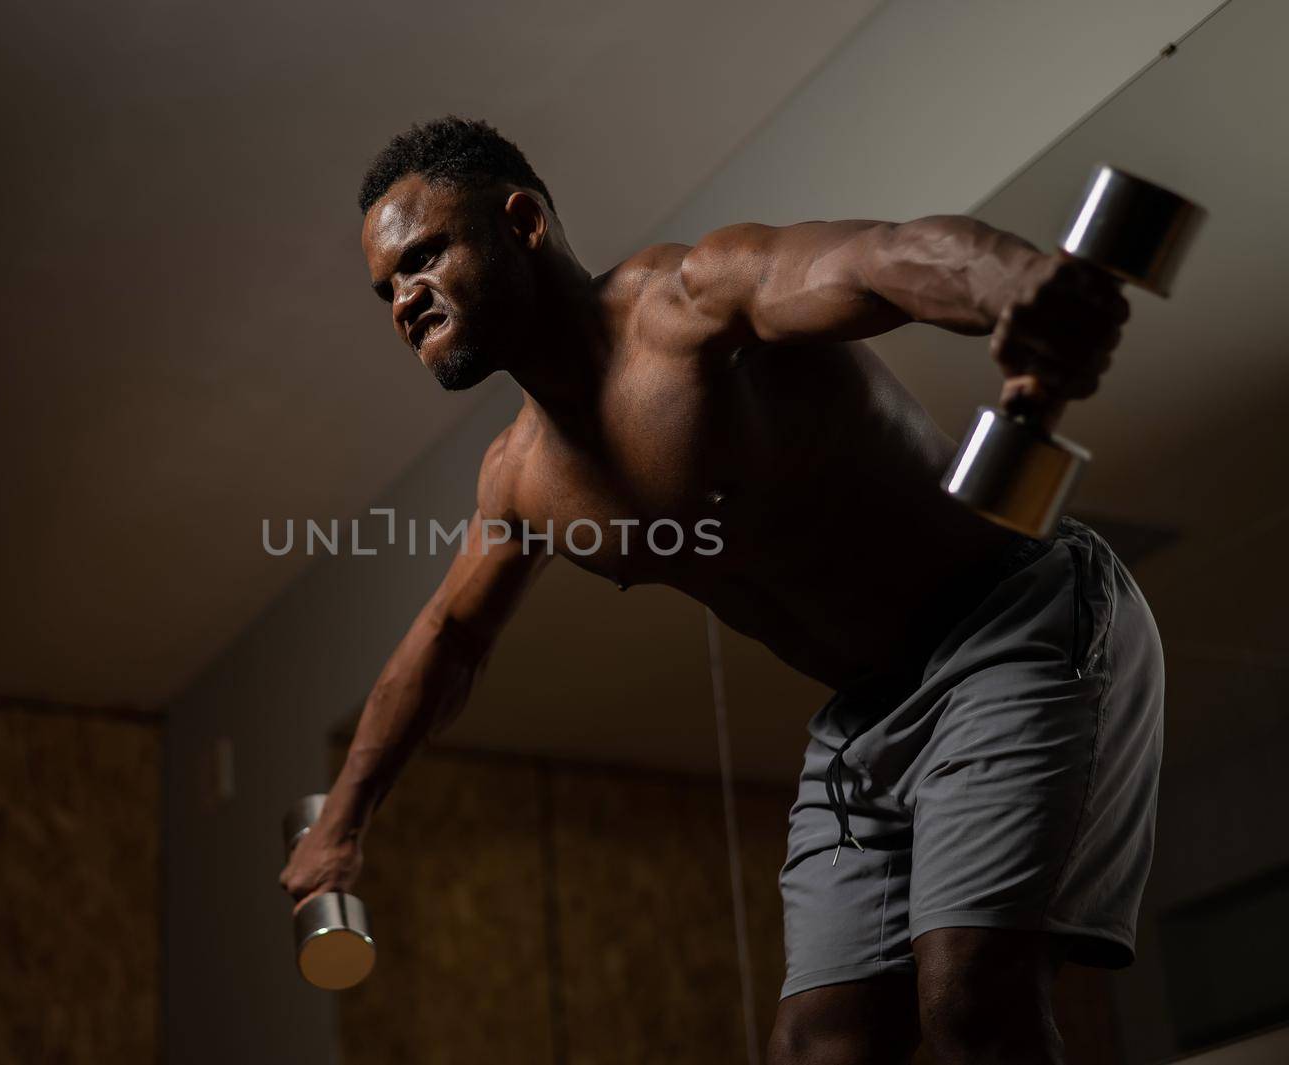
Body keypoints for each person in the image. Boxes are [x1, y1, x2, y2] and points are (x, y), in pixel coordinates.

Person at [279, 116, 1162, 1064]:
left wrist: (1015, 287)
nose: (404, 299)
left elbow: (878, 262)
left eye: (422, 258)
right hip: (864, 718)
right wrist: (342, 822)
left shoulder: (692, 302)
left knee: (968, 1000)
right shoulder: (519, 479)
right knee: (815, 1047)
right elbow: (448, 639)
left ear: (522, 222)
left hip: (1007, 623)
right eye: (387, 289)